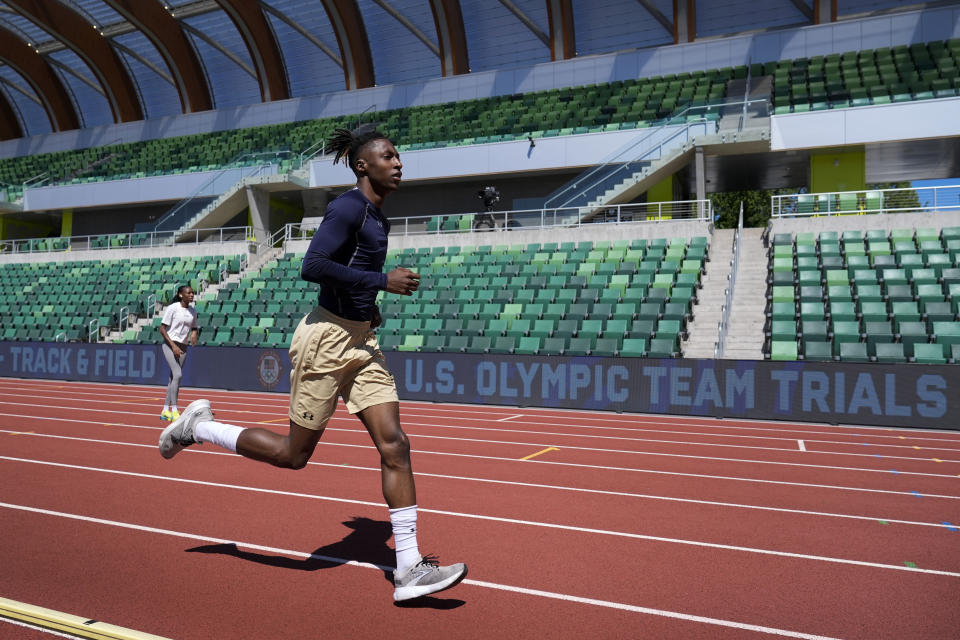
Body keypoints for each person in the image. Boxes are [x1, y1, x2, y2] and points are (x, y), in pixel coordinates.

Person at [158, 125, 467, 602]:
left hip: (362, 342)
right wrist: (381, 281)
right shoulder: (347, 207)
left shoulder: (379, 218)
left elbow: (348, 273)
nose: (399, 162)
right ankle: (199, 428)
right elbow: (313, 265)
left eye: (399, 155)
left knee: (396, 445)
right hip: (325, 340)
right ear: (363, 165)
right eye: (389, 156)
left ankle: (408, 568)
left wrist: (369, 300)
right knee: (292, 456)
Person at [158, 284, 199, 421]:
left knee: (173, 379)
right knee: (178, 374)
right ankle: (174, 410)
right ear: (181, 295)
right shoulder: (173, 308)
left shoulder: (193, 311)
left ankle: (165, 410)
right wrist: (173, 346)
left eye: (193, 293)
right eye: (189, 293)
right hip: (170, 344)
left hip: (183, 346)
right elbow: (162, 329)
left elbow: (194, 326)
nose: (192, 295)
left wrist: (194, 333)